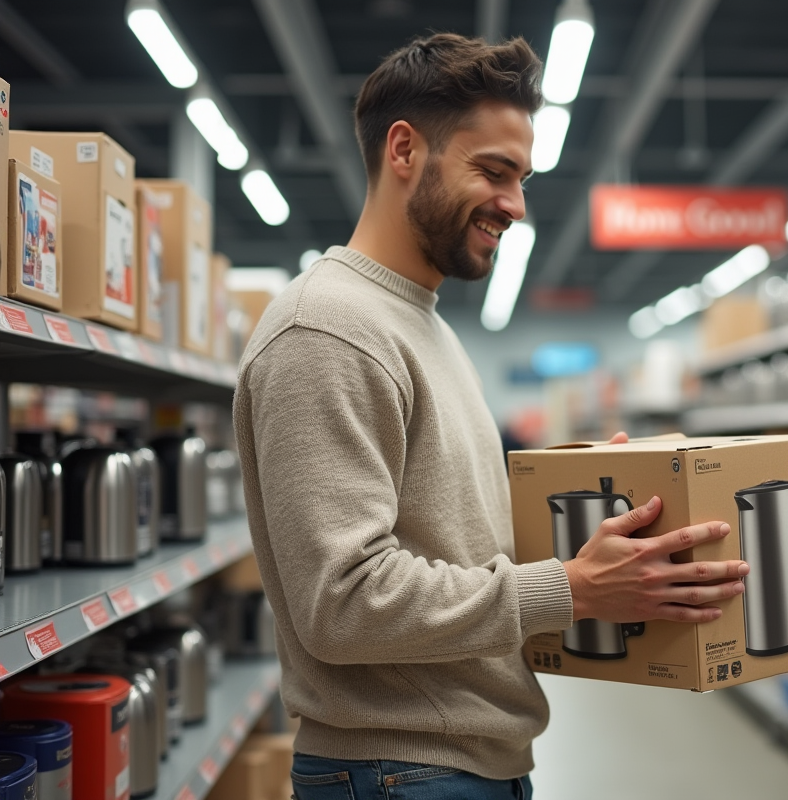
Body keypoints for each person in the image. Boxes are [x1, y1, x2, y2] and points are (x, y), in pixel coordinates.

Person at [233, 33, 749, 799]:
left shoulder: (421, 323)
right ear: (404, 150)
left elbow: (449, 543)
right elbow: (340, 603)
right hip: (397, 772)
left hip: (453, 765)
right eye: (494, 171)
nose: (516, 204)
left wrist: (599, 505)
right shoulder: (329, 329)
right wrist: (568, 589)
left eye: (523, 178)